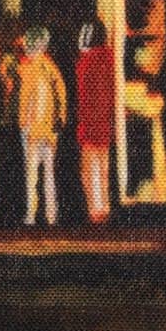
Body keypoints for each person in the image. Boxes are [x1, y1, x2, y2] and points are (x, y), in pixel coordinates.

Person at [15, 27, 67, 225]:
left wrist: (22, 122)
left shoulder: (28, 69)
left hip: (32, 129)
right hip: (50, 129)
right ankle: (51, 214)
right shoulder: (51, 68)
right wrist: (60, 118)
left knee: (31, 174)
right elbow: (61, 95)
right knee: (49, 172)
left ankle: (31, 213)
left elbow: (24, 99)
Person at [75, 20, 117, 223]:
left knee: (90, 167)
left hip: (89, 122)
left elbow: (83, 96)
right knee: (103, 165)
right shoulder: (110, 59)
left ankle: (96, 208)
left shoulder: (86, 62)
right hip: (106, 121)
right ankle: (104, 206)